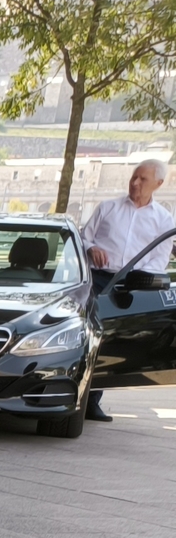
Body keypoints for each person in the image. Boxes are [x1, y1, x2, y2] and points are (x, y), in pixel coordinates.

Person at [79, 159, 173, 420]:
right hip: (97, 280)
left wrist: (141, 281)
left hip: (131, 285)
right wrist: (91, 249)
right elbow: (84, 237)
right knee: (88, 337)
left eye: (143, 179)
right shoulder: (108, 208)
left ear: (159, 183)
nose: (135, 183)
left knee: (111, 341)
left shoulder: (164, 220)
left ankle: (92, 400)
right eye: (134, 177)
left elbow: (159, 260)